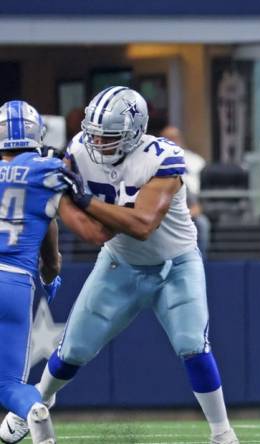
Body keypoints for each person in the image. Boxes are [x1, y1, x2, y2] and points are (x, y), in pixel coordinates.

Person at [0, 88, 239, 444]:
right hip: (119, 261)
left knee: (193, 344)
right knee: (72, 349)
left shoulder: (162, 159)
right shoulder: (80, 149)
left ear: (134, 132)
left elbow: (143, 225)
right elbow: (63, 207)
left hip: (175, 263)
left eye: (107, 136)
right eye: (93, 133)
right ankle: (40, 399)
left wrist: (82, 197)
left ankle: (222, 433)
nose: (97, 141)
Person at [0, 100, 111, 444]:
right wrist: (50, 274)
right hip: (15, 281)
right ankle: (35, 409)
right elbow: (53, 252)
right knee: (9, 385)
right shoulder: (47, 170)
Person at [159, 125, 211, 254]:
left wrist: (185, 214)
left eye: (174, 138)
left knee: (202, 224)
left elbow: (196, 206)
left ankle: (200, 262)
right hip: (158, 212)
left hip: (186, 210)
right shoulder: (152, 161)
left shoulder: (195, 161)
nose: (172, 141)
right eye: (167, 138)